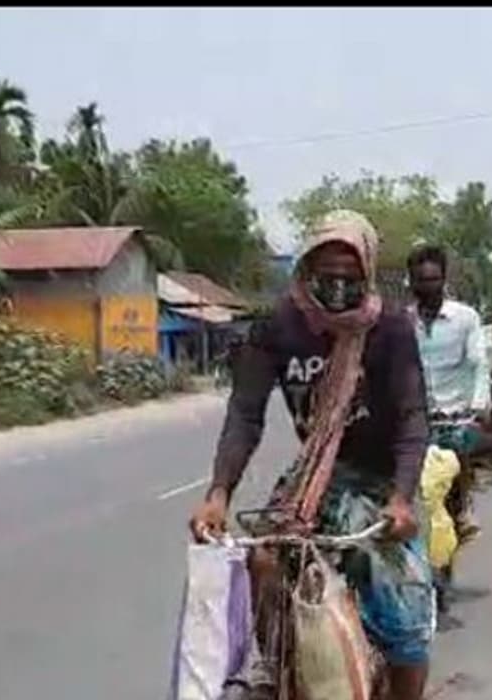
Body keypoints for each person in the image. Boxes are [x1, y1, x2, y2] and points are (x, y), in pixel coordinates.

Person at [189, 210, 433, 699]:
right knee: (263, 561)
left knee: (404, 616)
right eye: (327, 272)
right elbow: (245, 415)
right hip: (314, 481)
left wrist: (402, 499)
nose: (338, 284)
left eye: (350, 274)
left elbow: (412, 418)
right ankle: (277, 668)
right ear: (305, 269)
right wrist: (218, 494)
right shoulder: (278, 327)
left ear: (367, 271)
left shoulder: (389, 328)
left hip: (381, 484)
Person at [406, 243, 491, 542]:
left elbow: (478, 363)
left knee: (459, 457)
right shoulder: (403, 321)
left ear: (443, 280)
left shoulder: (465, 318)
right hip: (415, 413)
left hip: (455, 413)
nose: (427, 287)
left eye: (434, 280)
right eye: (421, 280)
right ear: (411, 282)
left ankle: (464, 507)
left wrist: (478, 405)